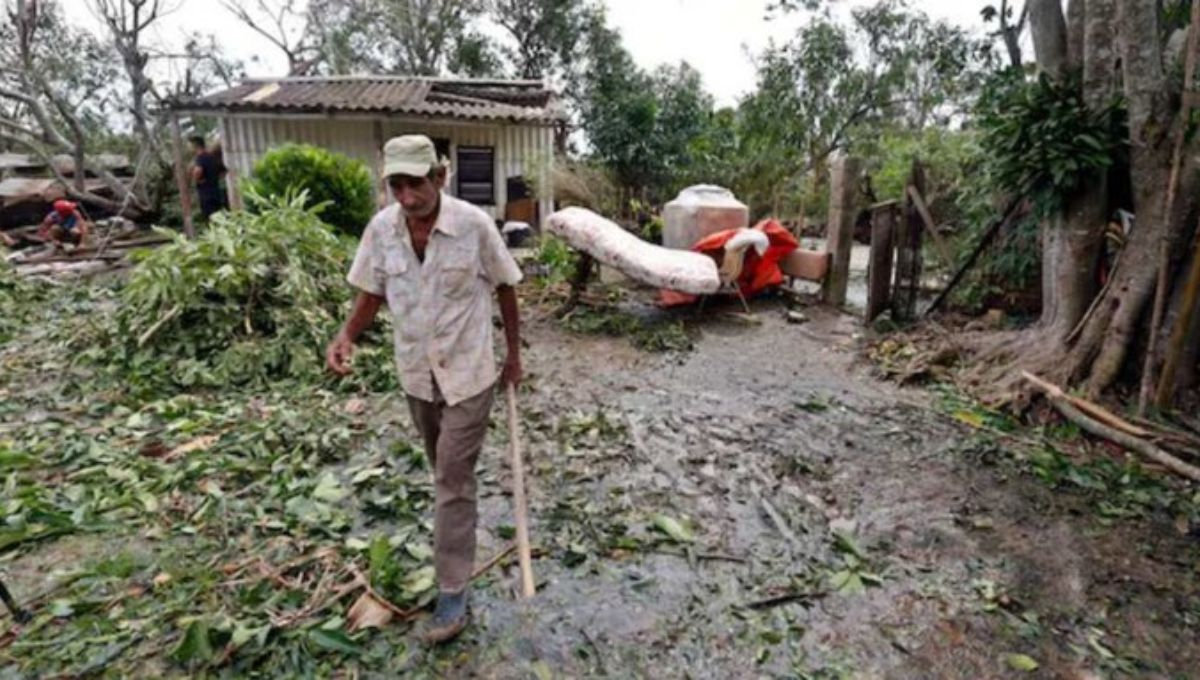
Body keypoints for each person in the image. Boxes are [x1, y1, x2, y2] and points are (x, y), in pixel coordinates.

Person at [326, 135, 524, 644]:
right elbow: (372, 292)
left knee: (452, 480)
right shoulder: (381, 231)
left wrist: (514, 357)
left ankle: (453, 591)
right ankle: (455, 535)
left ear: (439, 177)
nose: (407, 194)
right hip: (416, 375)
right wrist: (347, 335)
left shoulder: (474, 227)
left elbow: (506, 286)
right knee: (443, 472)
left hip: (469, 375)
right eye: (397, 184)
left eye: (416, 182)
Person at [190, 135, 227, 219]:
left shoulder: (200, 157)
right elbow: (224, 171)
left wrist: (197, 180)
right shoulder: (212, 156)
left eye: (190, 145)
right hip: (216, 192)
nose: (189, 148)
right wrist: (213, 178)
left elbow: (198, 171)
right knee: (219, 218)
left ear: (195, 145)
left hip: (206, 195)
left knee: (210, 219)